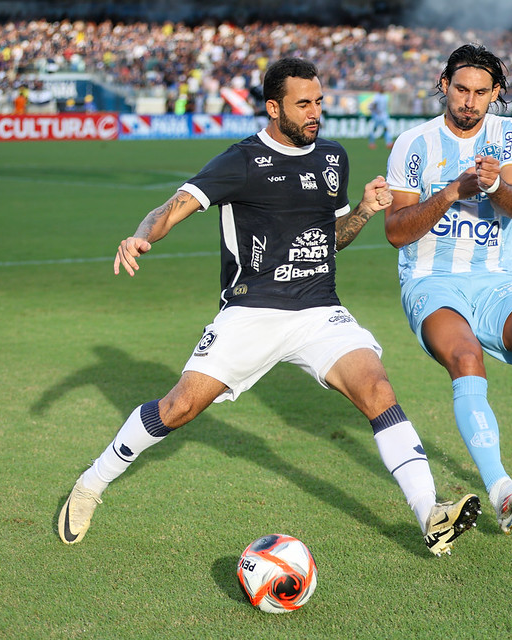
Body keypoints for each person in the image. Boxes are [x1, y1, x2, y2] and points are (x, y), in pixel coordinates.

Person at [58, 57, 480, 557]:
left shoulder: (331, 157)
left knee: (377, 387)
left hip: (318, 308)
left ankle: (430, 512)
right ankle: (90, 484)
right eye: (304, 104)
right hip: (251, 309)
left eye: (319, 102)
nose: (315, 113)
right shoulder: (240, 161)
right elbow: (173, 206)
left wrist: (364, 212)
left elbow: (330, 239)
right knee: (178, 408)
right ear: (274, 106)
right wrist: (141, 235)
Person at [385, 44, 512, 534]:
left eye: (481, 92)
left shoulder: (510, 135)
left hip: (496, 279)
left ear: (496, 94)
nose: (469, 101)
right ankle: (502, 489)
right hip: (430, 280)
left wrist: (491, 187)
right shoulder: (414, 144)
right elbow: (397, 231)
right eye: (461, 89)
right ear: (444, 85)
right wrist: (450, 193)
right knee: (465, 358)